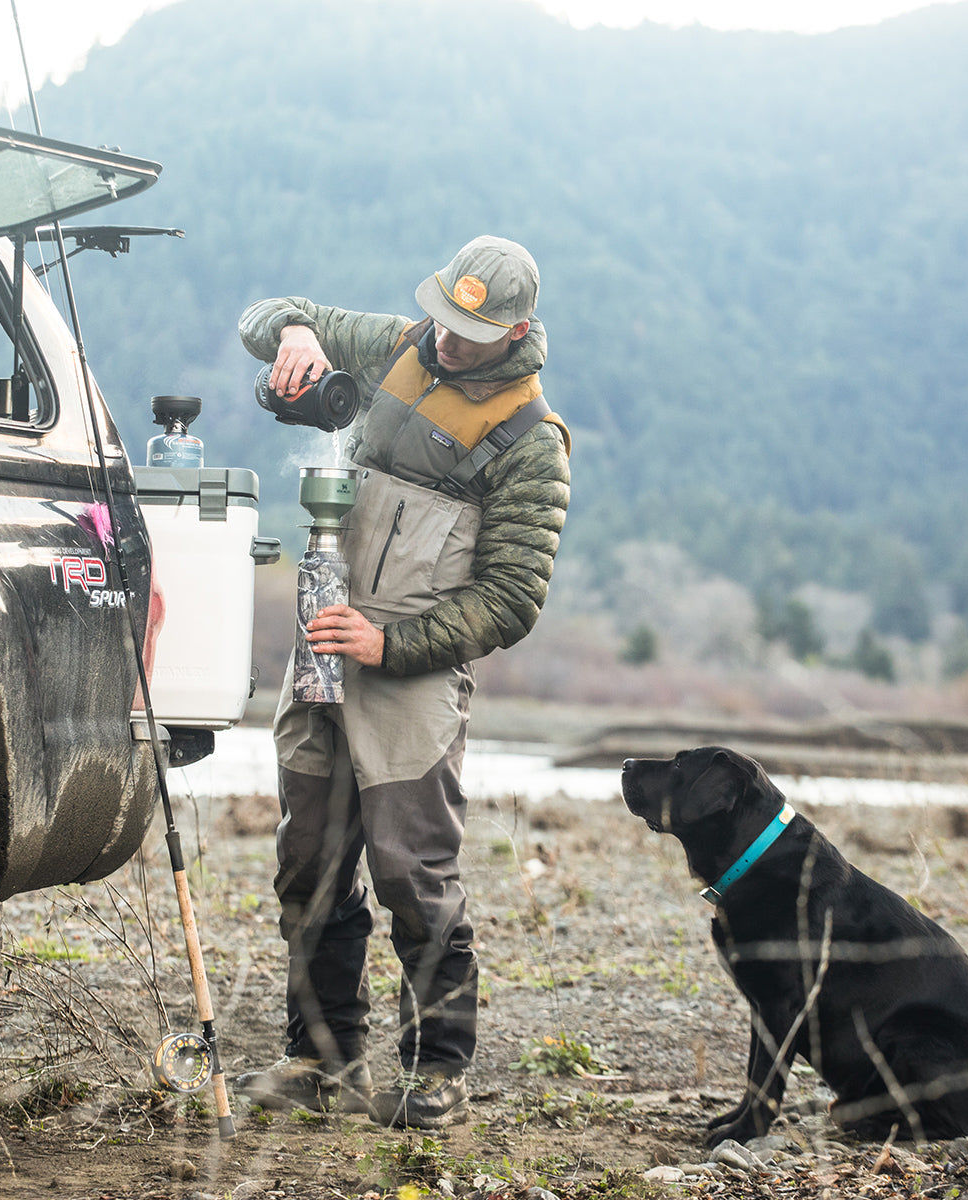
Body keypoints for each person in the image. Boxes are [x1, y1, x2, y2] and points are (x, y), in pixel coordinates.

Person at [234, 235, 571, 1128]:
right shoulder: (397, 345)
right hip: (322, 646)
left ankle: (439, 1070)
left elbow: (511, 600)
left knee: (412, 872)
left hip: (410, 674)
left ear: (519, 330)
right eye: (444, 318)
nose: (448, 340)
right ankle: (320, 1059)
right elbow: (259, 318)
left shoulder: (533, 442)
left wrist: (391, 645)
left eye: (471, 330)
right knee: (307, 861)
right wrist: (297, 332)